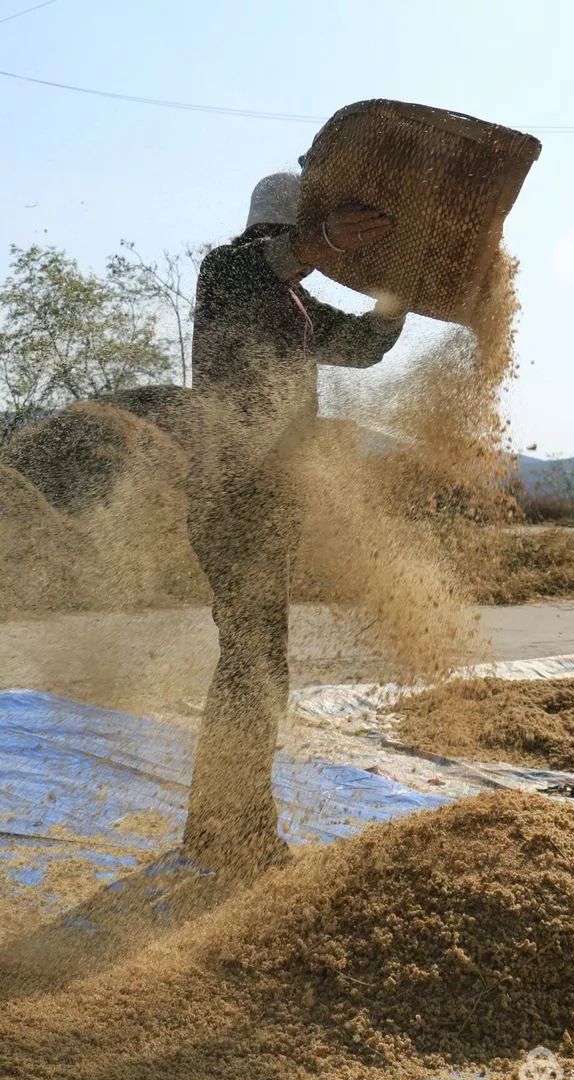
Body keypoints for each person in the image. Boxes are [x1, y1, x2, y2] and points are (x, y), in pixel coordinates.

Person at [182, 172, 404, 874]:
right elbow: (283, 257)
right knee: (253, 663)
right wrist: (325, 239)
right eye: (297, 235)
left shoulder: (300, 305)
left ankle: (227, 826)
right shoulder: (230, 271)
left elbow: (364, 347)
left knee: (258, 663)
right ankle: (231, 834)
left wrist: (403, 293)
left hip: (271, 503)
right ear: (275, 229)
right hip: (230, 496)